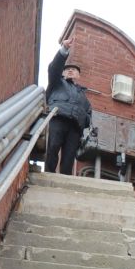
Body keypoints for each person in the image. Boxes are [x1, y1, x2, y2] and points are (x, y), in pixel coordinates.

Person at [44, 42, 93, 175]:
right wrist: (64, 49)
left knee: (69, 157)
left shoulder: (84, 96)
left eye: (74, 70)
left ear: (79, 75)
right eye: (67, 69)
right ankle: (49, 173)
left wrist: (84, 120)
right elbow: (54, 68)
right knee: (53, 147)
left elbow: (89, 115)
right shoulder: (57, 82)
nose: (70, 70)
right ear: (62, 72)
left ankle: (64, 178)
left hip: (75, 127)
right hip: (58, 117)